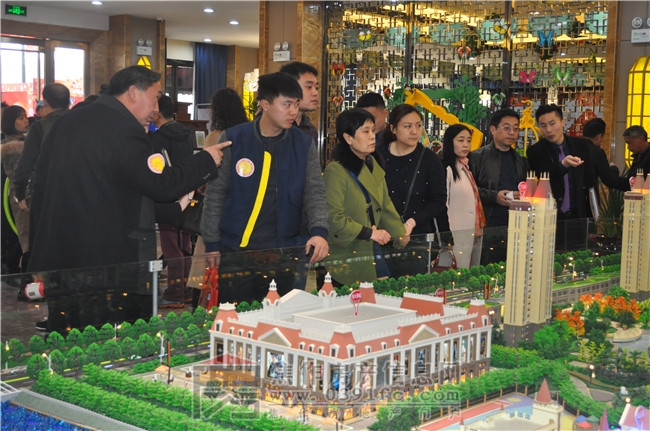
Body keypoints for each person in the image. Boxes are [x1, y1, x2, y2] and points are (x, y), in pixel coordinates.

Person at [28, 66, 230, 332]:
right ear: (133, 92)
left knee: (69, 337)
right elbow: (160, 185)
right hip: (110, 264)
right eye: (155, 97)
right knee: (114, 342)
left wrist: (38, 256)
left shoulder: (67, 122)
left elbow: (40, 189)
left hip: (62, 259)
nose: (156, 109)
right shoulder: (125, 130)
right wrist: (205, 160)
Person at [201, 72, 328, 304]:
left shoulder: (302, 144)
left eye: (296, 104)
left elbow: (315, 192)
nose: (293, 111)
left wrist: (319, 231)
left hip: (285, 252)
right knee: (236, 317)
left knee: (280, 317)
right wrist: (211, 243)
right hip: (237, 251)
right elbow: (215, 194)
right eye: (286, 104)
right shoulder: (235, 139)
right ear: (265, 104)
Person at [323, 108, 406, 286]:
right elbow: (333, 217)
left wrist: (401, 234)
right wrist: (370, 233)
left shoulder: (373, 164)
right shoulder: (336, 171)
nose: (372, 136)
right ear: (348, 138)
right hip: (346, 256)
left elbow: (385, 206)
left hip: (372, 250)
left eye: (373, 131)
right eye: (365, 131)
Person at [376, 104, 447, 276]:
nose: (414, 131)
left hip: (417, 239)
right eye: (407, 126)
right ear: (393, 129)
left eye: (418, 125)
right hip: (382, 237)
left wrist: (410, 223)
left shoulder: (430, 159)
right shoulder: (377, 156)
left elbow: (438, 201)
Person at [150, 95, 197, 308]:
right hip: (187, 192)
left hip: (168, 195)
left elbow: (156, 169)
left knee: (171, 246)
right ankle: (185, 289)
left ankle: (174, 293)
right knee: (184, 243)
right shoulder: (187, 133)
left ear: (157, 113)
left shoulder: (158, 138)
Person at [527, 104, 593, 251]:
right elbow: (544, 176)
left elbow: (590, 180)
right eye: (543, 125)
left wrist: (592, 218)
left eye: (552, 123)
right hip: (551, 217)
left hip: (578, 216)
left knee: (578, 257)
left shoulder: (582, 145)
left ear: (563, 122)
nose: (548, 130)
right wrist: (563, 164)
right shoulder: (535, 151)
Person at [468, 108, 528, 265]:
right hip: (487, 223)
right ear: (493, 130)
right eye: (506, 128)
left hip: (514, 224)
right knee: (485, 267)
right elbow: (468, 190)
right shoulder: (476, 157)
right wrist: (494, 196)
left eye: (516, 128)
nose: (512, 133)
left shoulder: (520, 160)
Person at [13, 83, 71, 213]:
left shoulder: (39, 128)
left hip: (46, 193)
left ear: (45, 103)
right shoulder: (82, 124)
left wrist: (20, 194)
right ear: (68, 102)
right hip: (79, 193)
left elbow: (25, 164)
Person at [442, 124, 486, 269]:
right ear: (450, 142)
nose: (466, 144)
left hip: (470, 231)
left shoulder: (465, 167)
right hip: (455, 233)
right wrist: (446, 234)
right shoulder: (447, 169)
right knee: (454, 270)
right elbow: (443, 204)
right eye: (461, 140)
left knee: (468, 269)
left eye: (468, 140)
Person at [1, 105, 30, 280]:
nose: (26, 120)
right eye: (20, 118)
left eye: (25, 116)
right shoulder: (14, 148)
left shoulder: (24, 142)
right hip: (20, 195)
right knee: (24, 234)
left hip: (20, 194)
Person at [279, 61, 319, 144]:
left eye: (316, 88)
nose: (315, 93)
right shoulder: (274, 127)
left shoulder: (310, 130)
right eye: (309, 87)